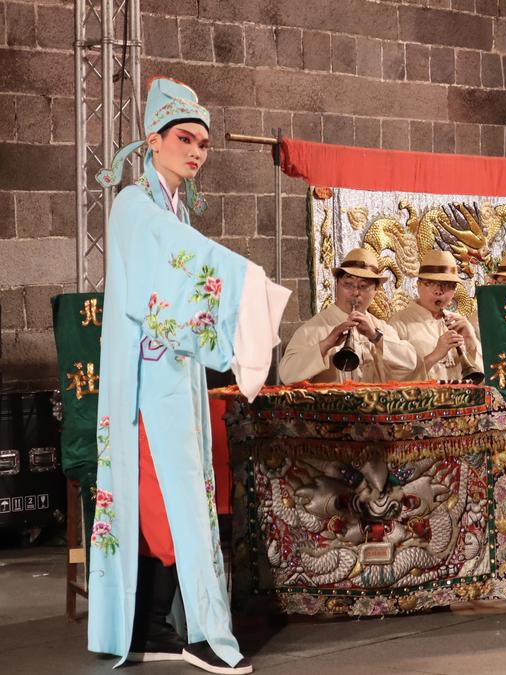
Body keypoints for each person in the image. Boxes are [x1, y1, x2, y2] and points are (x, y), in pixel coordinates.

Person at [89, 76, 291, 674]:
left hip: (173, 374)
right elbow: (182, 264)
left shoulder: (169, 210)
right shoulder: (135, 206)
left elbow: (184, 265)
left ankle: (151, 627)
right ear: (152, 139)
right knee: (170, 500)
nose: (196, 151)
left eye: (202, 142)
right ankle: (201, 634)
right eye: (184, 138)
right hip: (147, 381)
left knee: (174, 499)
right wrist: (245, 278)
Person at [278, 247, 418, 384]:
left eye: (363, 286)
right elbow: (286, 375)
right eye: (348, 284)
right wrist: (326, 344)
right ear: (337, 284)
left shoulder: (381, 327)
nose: (355, 292)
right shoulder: (314, 328)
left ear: (376, 289)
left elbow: (410, 363)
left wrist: (375, 337)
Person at [389, 249, 482, 381]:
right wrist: (435, 355)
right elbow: (392, 381)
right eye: (431, 283)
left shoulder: (458, 323)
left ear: (454, 290)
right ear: (418, 285)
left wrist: (470, 340)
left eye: (446, 285)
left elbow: (483, 381)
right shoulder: (399, 323)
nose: (439, 291)